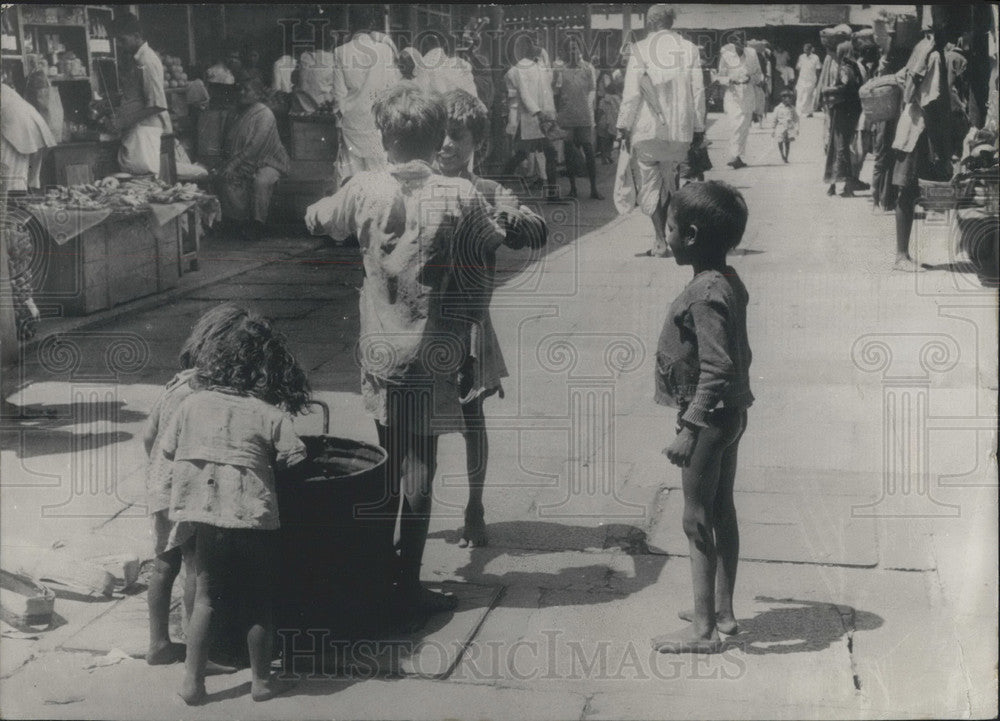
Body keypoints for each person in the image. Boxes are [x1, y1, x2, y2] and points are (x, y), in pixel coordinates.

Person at [304, 83, 505, 626]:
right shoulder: (458, 195)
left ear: (383, 136)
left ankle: (379, 570)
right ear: (439, 136)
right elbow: (491, 243)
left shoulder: (363, 186)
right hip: (436, 351)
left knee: (391, 462)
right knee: (421, 469)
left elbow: (318, 219)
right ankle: (406, 583)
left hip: (379, 350)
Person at [162, 307, 309, 705]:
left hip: (208, 519)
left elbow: (168, 448)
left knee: (205, 600)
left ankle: (193, 683)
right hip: (254, 521)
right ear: (264, 367)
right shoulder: (269, 413)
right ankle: (262, 682)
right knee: (260, 602)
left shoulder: (191, 405)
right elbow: (296, 457)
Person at [436, 89, 547, 548]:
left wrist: (508, 217)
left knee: (471, 417)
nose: (445, 145)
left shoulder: (486, 191)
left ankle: (475, 504)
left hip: (465, 324)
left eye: (456, 137)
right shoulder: (416, 186)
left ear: (475, 142)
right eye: (439, 135)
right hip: (415, 324)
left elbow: (534, 227)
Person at [651, 181, 753, 654]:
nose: (664, 234)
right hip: (729, 414)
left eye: (668, 226)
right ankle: (722, 610)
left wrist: (689, 429)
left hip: (708, 418)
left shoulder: (702, 294)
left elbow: (718, 367)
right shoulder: (727, 280)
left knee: (695, 520)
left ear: (689, 235)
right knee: (722, 510)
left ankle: (703, 630)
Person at [143, 305, 248, 673]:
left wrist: (158, 470)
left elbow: (148, 434)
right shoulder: (207, 393)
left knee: (162, 564)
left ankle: (157, 644)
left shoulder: (176, 383)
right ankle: (196, 655)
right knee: (194, 565)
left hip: (160, 484)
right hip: (188, 490)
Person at [617, 4, 706, 256]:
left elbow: (632, 93)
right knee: (671, 177)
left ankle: (659, 240)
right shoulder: (688, 49)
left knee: (649, 182)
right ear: (671, 22)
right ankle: (674, 234)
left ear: (650, 23)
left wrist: (623, 126)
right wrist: (698, 128)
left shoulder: (640, 49)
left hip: (648, 130)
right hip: (680, 131)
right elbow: (698, 91)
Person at [890, 21, 960, 272]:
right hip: (918, 130)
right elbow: (931, 101)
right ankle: (901, 256)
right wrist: (941, 141)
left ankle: (903, 255)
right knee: (906, 190)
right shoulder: (933, 55)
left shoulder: (921, 49)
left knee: (906, 191)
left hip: (909, 123)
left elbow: (904, 79)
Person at [215, 75, 290, 240]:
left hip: (269, 161)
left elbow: (255, 146)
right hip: (244, 160)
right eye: (240, 89)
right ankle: (237, 221)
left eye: (246, 90)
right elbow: (227, 141)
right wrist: (229, 164)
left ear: (257, 94)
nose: (241, 92)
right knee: (226, 177)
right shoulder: (236, 112)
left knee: (261, 181)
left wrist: (233, 164)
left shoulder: (265, 114)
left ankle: (257, 224)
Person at [331, 8, 400, 182]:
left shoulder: (340, 52)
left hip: (352, 124)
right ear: (372, 25)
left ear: (350, 24)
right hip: (377, 124)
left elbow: (338, 96)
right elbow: (392, 88)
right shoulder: (384, 51)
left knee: (352, 181)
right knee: (379, 179)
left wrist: (340, 122)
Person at [111, 13, 171, 176]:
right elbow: (137, 94)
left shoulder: (146, 61)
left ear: (137, 36)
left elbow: (158, 104)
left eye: (122, 40)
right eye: (116, 40)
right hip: (137, 132)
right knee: (134, 187)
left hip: (143, 133)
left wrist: (122, 121)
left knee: (141, 184)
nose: (119, 44)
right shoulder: (137, 59)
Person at [504, 36, 559, 200]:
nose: (538, 47)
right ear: (526, 46)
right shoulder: (518, 69)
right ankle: (498, 187)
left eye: (539, 43)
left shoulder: (540, 66)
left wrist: (550, 115)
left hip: (543, 120)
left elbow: (548, 89)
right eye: (534, 43)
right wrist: (538, 112)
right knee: (521, 155)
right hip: (529, 120)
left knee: (551, 153)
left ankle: (552, 195)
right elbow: (524, 94)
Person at [555, 36, 602, 199]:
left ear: (580, 50)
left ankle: (594, 189)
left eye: (575, 48)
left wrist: (591, 115)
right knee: (569, 154)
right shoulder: (561, 71)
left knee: (589, 151)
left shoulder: (588, 69)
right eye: (570, 49)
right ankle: (573, 188)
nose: (573, 51)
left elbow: (592, 92)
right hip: (567, 118)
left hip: (584, 116)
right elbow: (557, 93)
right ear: (566, 52)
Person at [822, 42, 865, 197]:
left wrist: (828, 89)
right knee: (843, 146)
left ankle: (842, 185)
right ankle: (837, 184)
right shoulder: (855, 67)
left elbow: (845, 87)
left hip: (842, 111)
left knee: (839, 147)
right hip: (852, 111)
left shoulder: (845, 68)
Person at [0, 82, 55, 192]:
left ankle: (14, 201)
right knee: (17, 174)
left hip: (16, 124)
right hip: (26, 122)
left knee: (9, 176)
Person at [718, 38, 762, 170]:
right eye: (736, 45)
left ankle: (738, 157)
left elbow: (759, 74)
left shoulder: (752, 54)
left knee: (744, 125)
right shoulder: (726, 56)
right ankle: (734, 155)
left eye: (741, 45)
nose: (739, 48)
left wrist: (751, 78)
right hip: (733, 94)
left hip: (748, 92)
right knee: (735, 125)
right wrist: (729, 80)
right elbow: (720, 76)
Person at [596, 78, 622, 164]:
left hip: (604, 122)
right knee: (611, 140)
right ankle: (608, 156)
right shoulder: (618, 99)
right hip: (614, 122)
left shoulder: (603, 100)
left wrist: (596, 121)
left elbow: (600, 111)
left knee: (604, 141)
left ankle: (605, 157)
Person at [795, 43, 823, 117]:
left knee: (808, 96)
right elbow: (798, 68)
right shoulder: (801, 57)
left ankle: (808, 112)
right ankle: (799, 112)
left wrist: (817, 81)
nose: (805, 51)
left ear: (811, 50)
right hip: (801, 79)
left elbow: (818, 69)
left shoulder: (815, 57)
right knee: (800, 95)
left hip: (811, 79)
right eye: (804, 49)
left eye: (807, 49)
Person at [772, 88, 799, 163]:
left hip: (789, 128)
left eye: (790, 98)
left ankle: (786, 157)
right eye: (788, 98)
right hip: (780, 127)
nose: (790, 100)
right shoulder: (777, 108)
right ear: (783, 98)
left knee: (787, 143)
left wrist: (797, 128)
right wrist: (773, 130)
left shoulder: (792, 108)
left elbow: (796, 119)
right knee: (780, 141)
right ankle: (782, 154)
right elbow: (774, 119)